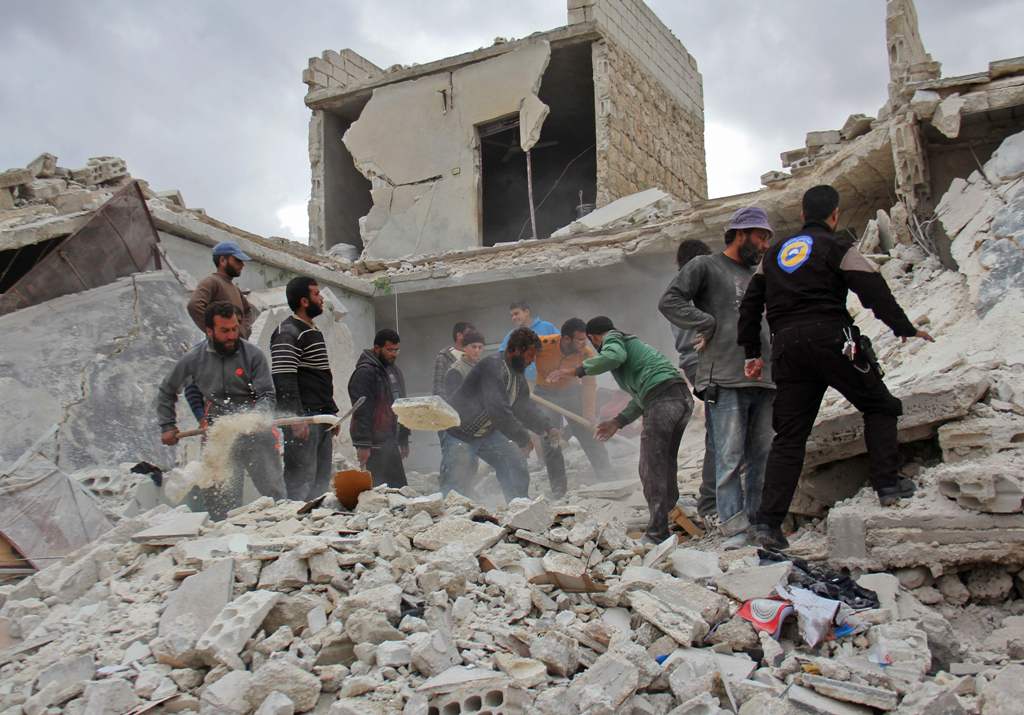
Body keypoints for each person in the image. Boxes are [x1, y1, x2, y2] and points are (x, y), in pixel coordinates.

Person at [738, 185, 934, 550]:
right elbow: (872, 288)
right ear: (834, 215)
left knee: (790, 437)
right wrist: (903, 328)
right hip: (833, 341)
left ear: (801, 215)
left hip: (787, 349)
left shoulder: (775, 254)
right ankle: (888, 485)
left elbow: (750, 305)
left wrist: (752, 351)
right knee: (880, 406)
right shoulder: (838, 247)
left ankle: (768, 525)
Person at [659, 208, 776, 549]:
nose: (766, 245)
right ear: (741, 234)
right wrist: (705, 323)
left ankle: (756, 525)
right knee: (728, 456)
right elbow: (670, 301)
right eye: (761, 237)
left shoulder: (759, 275)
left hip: (764, 377)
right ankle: (733, 528)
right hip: (724, 375)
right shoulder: (705, 266)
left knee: (761, 456)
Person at [156, 301, 286, 519]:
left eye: (235, 329)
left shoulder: (253, 355)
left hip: (254, 430)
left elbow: (267, 394)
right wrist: (168, 425)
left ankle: (285, 532)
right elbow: (167, 390)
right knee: (220, 498)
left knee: (274, 494)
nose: (232, 335)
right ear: (209, 331)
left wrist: (258, 416)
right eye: (225, 331)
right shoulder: (193, 359)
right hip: (218, 434)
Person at [568, 317, 693, 544]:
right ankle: (669, 513)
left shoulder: (613, 339)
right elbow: (643, 396)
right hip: (680, 398)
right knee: (665, 461)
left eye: (592, 342)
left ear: (594, 337)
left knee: (650, 466)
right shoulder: (635, 352)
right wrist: (618, 421)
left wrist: (579, 370)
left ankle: (657, 532)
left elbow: (614, 357)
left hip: (664, 400)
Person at [443, 328, 561, 501]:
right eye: (530, 355)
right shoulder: (493, 366)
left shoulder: (516, 374)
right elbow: (498, 410)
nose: (532, 361)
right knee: (456, 482)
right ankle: (449, 519)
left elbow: (523, 406)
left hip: (487, 433)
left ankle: (520, 507)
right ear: (515, 350)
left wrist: (547, 427)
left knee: (515, 462)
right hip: (460, 433)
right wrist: (522, 438)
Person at [270, 277, 338, 501]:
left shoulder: (312, 330)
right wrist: (295, 418)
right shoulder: (288, 332)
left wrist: (331, 415)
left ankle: (316, 528)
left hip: (320, 419)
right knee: (300, 481)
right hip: (304, 419)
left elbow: (320, 377)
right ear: (304, 301)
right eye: (316, 294)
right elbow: (284, 377)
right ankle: (296, 525)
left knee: (320, 481)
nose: (322, 298)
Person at [669, 239, 716, 523]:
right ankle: (712, 499)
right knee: (722, 426)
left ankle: (714, 497)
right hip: (706, 362)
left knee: (720, 426)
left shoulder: (678, 288)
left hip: (694, 366)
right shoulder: (696, 286)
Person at [538, 318, 614, 483]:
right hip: (544, 395)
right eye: (579, 340)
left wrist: (588, 413)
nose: (583, 343)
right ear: (566, 339)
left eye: (585, 339)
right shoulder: (543, 343)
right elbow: (519, 353)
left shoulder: (586, 353)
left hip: (571, 392)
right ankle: (559, 489)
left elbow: (589, 383)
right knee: (551, 439)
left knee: (588, 433)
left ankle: (607, 476)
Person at [348, 329, 410, 488]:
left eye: (396, 350)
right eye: (389, 350)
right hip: (373, 445)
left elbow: (402, 406)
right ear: (377, 348)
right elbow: (361, 410)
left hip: (390, 442)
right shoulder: (365, 373)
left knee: (400, 490)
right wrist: (363, 444)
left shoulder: (395, 371)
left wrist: (403, 438)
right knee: (378, 492)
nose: (394, 354)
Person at [187, 241, 256, 338]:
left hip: (236, 348)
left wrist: (242, 331)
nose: (242, 265)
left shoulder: (235, 288)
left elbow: (248, 311)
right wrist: (216, 334)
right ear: (223, 260)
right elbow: (194, 306)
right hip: (221, 350)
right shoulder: (212, 282)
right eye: (238, 260)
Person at [499, 301, 558, 382]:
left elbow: (562, 346)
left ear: (526, 312)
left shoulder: (547, 326)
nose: (513, 318)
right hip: (526, 383)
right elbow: (501, 356)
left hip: (550, 380)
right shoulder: (511, 335)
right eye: (512, 315)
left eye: (516, 314)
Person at [433, 321, 477, 398]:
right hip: (451, 406)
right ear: (459, 335)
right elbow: (438, 387)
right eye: (469, 334)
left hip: (470, 406)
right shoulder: (444, 357)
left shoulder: (474, 359)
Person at [442, 329, 487, 398]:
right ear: (464, 348)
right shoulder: (456, 371)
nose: (477, 350)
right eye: (473, 347)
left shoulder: (485, 367)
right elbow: (454, 402)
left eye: (480, 347)